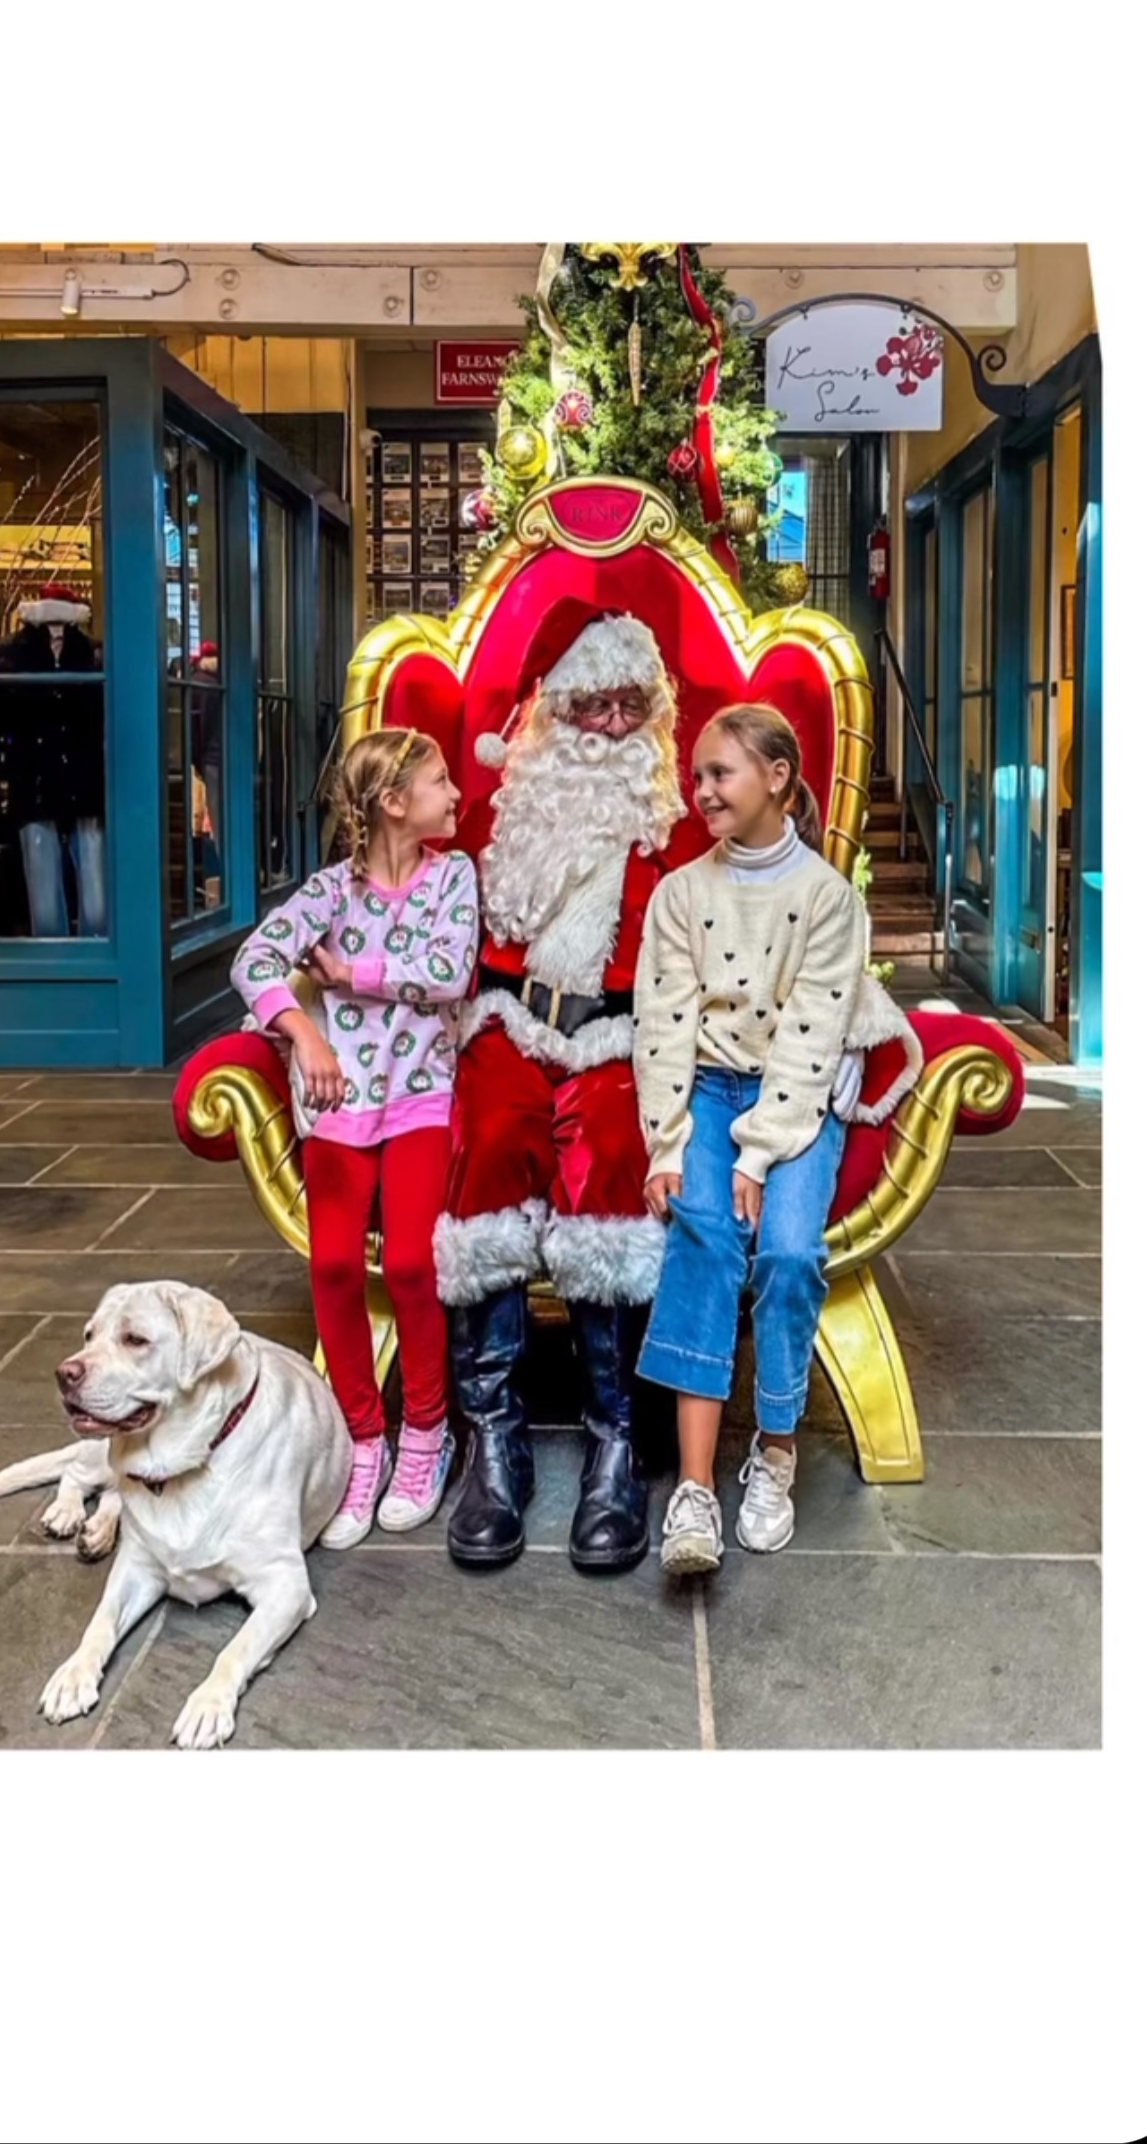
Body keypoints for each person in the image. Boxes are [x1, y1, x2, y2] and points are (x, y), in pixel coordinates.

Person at [632, 701, 919, 1575]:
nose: (702, 787)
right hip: (707, 1095)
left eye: (721, 773)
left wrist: (763, 1151)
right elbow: (662, 1023)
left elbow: (813, 1031)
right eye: (700, 774)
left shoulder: (827, 899)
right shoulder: (682, 893)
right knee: (706, 1236)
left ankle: (776, 1450)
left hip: (794, 1098)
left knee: (790, 1255)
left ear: (778, 779)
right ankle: (691, 1490)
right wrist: (670, 1142)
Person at [430, 605, 684, 1573]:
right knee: (491, 1135)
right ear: (551, 708)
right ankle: (492, 1437)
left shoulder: (677, 816)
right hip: (508, 1018)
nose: (614, 727)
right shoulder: (498, 814)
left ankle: (615, 1437)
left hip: (626, 1029)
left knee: (617, 1150)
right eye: (594, 705)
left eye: (632, 706)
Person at [231, 728, 477, 1547]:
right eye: (440, 781)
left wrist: (356, 976)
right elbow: (254, 961)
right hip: (337, 1104)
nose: (456, 792)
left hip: (419, 1098)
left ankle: (427, 1435)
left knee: (409, 1260)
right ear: (394, 803)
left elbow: (452, 973)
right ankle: (361, 1440)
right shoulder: (329, 892)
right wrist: (306, 1033)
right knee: (334, 1263)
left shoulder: (454, 878)